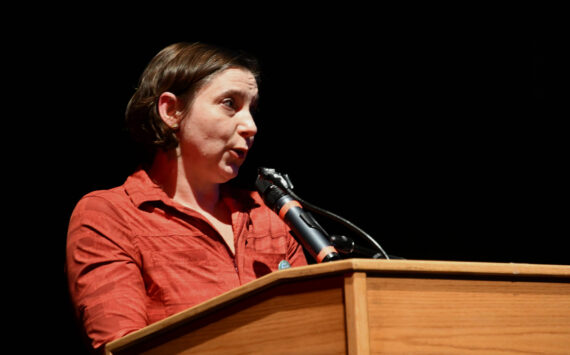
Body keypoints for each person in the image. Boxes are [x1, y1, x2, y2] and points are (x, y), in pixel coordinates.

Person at [65, 42, 308, 352]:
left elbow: (315, 327)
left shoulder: (269, 215)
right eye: (230, 103)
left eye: (252, 109)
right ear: (171, 111)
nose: (251, 126)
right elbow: (123, 346)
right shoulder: (111, 214)